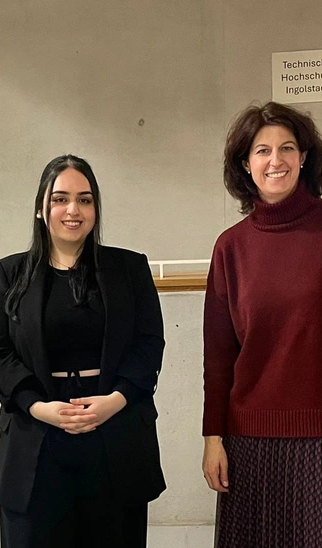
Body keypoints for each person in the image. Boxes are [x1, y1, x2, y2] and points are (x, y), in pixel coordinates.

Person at [0, 154, 166, 547]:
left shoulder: (129, 269)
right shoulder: (10, 273)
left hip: (113, 432)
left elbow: (149, 344)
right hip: (38, 435)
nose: (73, 210)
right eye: (60, 198)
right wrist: (37, 406)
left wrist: (115, 400)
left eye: (85, 199)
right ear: (40, 208)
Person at [202, 101, 322, 547]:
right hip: (249, 443)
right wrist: (213, 438)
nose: (276, 161)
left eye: (287, 148)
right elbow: (218, 357)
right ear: (245, 164)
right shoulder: (230, 248)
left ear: (304, 157)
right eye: (262, 151)